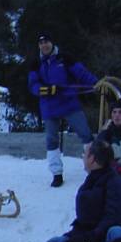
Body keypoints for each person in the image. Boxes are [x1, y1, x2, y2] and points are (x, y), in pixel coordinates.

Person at [28, 33, 99, 187]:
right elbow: (32, 84)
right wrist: (44, 89)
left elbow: (81, 73)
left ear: (52, 43)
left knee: (85, 134)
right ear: (38, 46)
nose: (44, 45)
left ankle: (94, 169)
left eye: (46, 42)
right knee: (51, 140)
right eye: (41, 43)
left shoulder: (64, 58)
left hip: (69, 103)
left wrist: (96, 83)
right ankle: (57, 173)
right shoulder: (36, 63)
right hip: (49, 107)